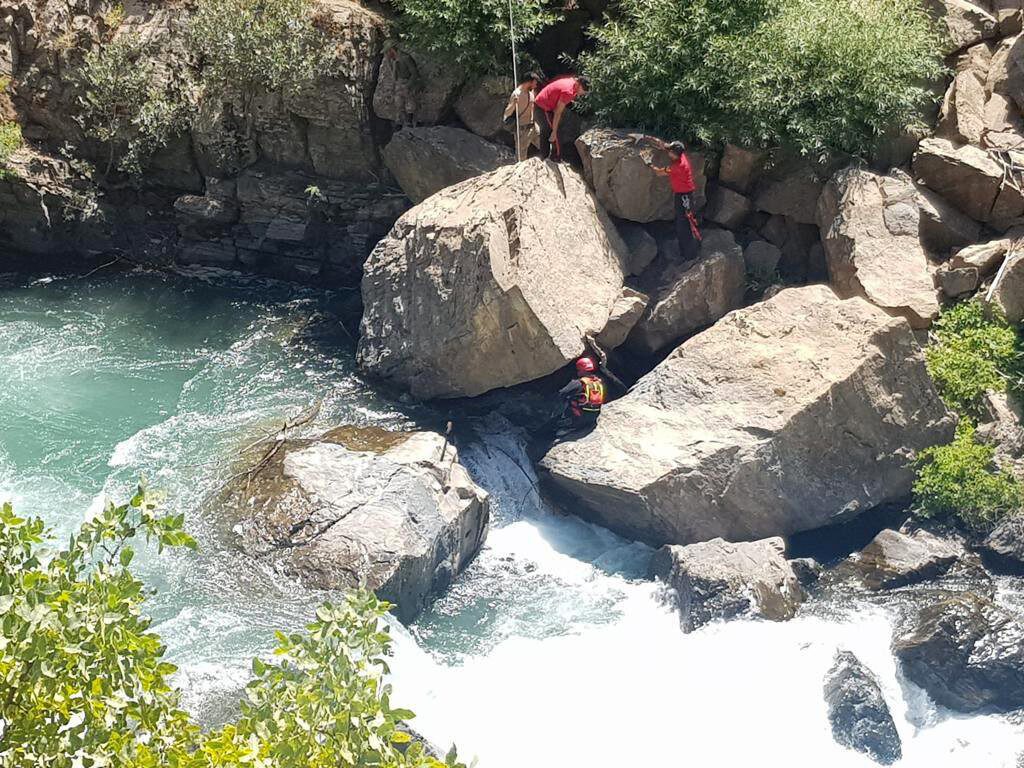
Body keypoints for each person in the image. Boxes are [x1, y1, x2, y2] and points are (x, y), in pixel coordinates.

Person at [648, 139, 701, 262]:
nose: (668, 153)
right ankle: (688, 250)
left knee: (685, 224)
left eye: (670, 152)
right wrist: (652, 140)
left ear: (675, 154)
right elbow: (666, 146)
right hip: (681, 195)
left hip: (684, 197)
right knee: (682, 222)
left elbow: (659, 173)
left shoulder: (678, 166)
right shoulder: (679, 155)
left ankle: (690, 255)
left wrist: (649, 164)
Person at [534, 74, 589, 161]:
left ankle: (545, 156)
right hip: (543, 106)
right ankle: (555, 158)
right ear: (579, 85)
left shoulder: (572, 82)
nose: (583, 93)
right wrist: (554, 130)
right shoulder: (568, 91)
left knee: (549, 130)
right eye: (584, 90)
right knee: (554, 133)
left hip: (545, 104)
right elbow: (557, 112)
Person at [556, 357, 606, 436]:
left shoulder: (579, 383)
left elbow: (562, 394)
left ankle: (567, 427)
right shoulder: (598, 383)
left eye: (578, 370)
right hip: (593, 418)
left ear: (581, 370)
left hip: (578, 419)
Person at [503, 72, 542, 162]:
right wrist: (513, 104)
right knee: (521, 158)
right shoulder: (516, 94)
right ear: (529, 82)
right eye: (534, 83)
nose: (536, 86)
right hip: (522, 130)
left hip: (533, 127)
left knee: (545, 146)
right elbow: (506, 114)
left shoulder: (531, 92)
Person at [383, 40, 420, 128]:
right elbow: (393, 74)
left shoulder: (405, 58)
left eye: (387, 52)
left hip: (407, 82)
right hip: (399, 83)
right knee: (398, 103)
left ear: (391, 50)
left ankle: (410, 122)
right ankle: (400, 122)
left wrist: (408, 85)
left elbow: (415, 73)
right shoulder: (393, 60)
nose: (387, 54)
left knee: (410, 103)